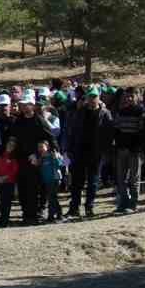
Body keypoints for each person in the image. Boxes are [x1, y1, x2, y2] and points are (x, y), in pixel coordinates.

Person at [7, 92, 51, 225]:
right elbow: (12, 136)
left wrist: (40, 153)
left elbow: (49, 137)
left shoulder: (39, 120)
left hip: (35, 159)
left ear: (33, 106)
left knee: (34, 188)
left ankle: (33, 214)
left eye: (28, 104)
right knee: (22, 188)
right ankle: (26, 213)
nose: (26, 107)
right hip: (20, 159)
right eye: (24, 105)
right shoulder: (18, 121)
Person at [68, 87, 113, 219]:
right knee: (77, 181)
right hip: (80, 151)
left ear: (99, 98)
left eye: (94, 97)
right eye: (90, 97)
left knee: (93, 182)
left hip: (96, 153)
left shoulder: (105, 113)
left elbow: (109, 134)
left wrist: (105, 150)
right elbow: (73, 131)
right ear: (86, 98)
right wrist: (70, 148)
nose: (92, 99)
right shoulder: (80, 112)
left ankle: (89, 207)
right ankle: (74, 208)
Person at [0, 138, 20, 227]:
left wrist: (5, 177)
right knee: (1, 201)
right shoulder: (0, 154)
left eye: (12, 146)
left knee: (6, 202)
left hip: (9, 182)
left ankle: (5, 221)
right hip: (0, 181)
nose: (10, 147)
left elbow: (15, 170)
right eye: (9, 144)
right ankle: (1, 219)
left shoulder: (14, 156)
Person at [37, 139, 66, 223]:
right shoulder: (41, 158)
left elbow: (61, 164)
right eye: (38, 147)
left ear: (47, 147)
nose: (40, 149)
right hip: (47, 180)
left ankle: (52, 216)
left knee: (51, 198)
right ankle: (58, 215)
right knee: (52, 198)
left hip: (55, 179)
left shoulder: (53, 154)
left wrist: (55, 158)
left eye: (42, 147)